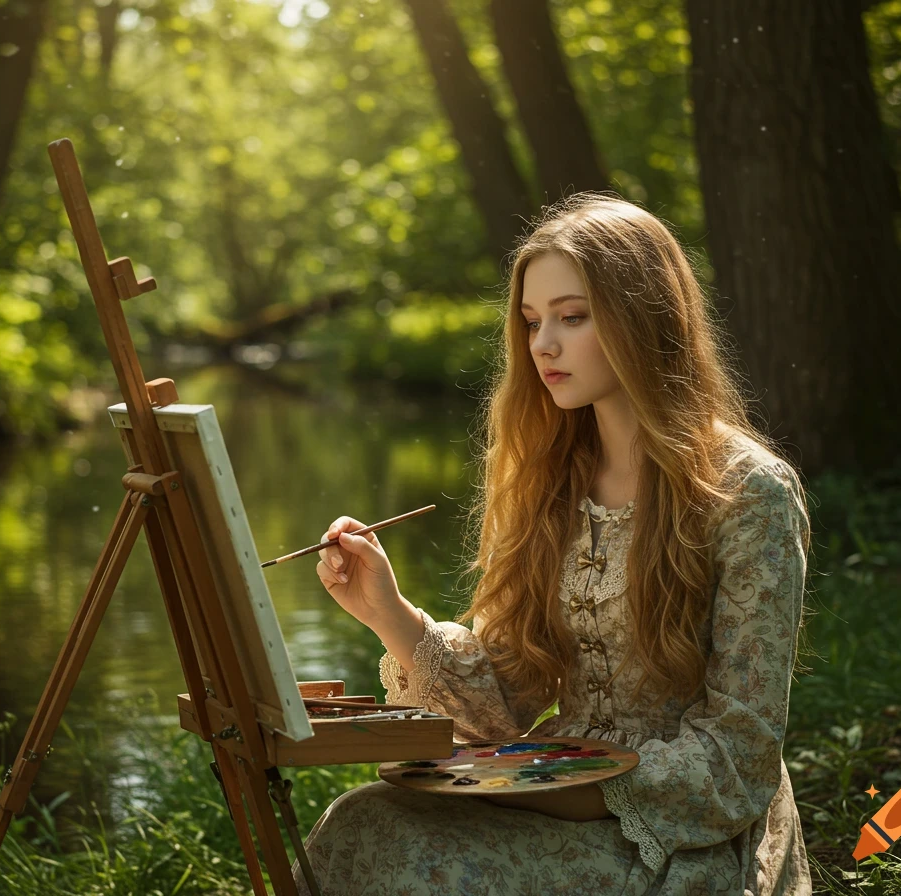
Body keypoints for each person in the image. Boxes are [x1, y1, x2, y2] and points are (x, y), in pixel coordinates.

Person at [291, 194, 817, 896]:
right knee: (360, 823)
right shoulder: (551, 478)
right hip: (552, 785)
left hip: (681, 834)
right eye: (533, 321)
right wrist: (389, 614)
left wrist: (550, 789)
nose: (543, 344)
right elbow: (503, 703)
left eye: (572, 317)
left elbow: (739, 753)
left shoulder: (747, 492)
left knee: (419, 862)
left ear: (645, 318)